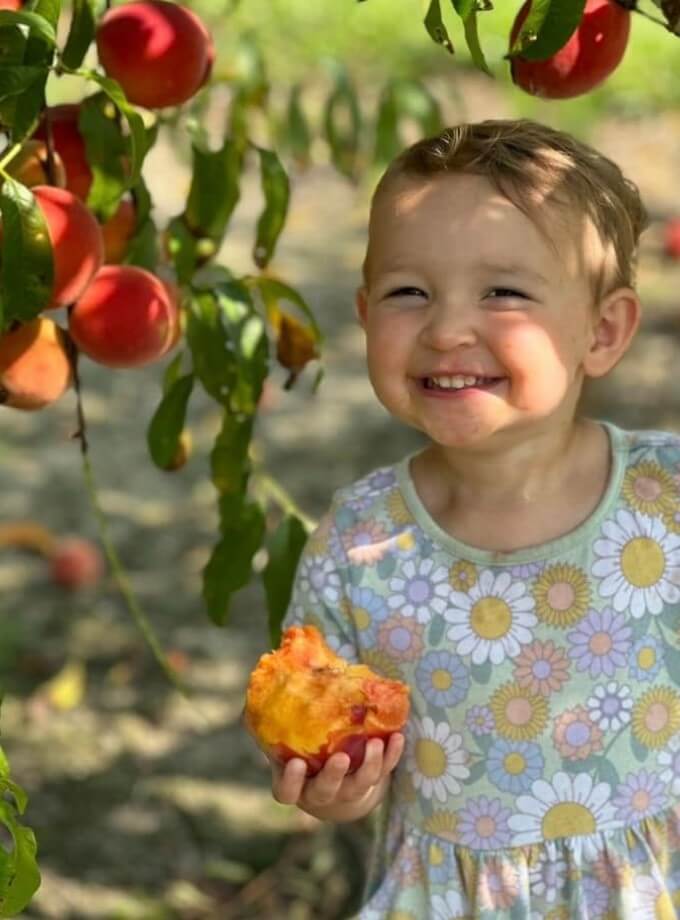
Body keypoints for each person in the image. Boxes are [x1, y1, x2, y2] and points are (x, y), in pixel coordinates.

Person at [270, 118, 680, 918]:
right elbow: (326, 727)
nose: (448, 328)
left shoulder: (665, 498)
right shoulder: (360, 544)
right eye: (407, 292)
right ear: (364, 314)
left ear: (602, 331)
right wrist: (335, 790)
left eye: (504, 292)